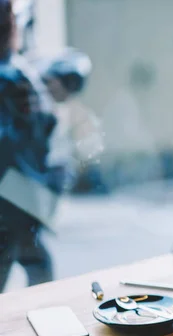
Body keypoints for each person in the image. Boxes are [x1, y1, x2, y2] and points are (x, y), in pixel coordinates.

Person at [0, 0, 59, 292]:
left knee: (36, 262)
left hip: (15, 197)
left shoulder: (15, 73)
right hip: (12, 197)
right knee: (35, 264)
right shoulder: (11, 77)